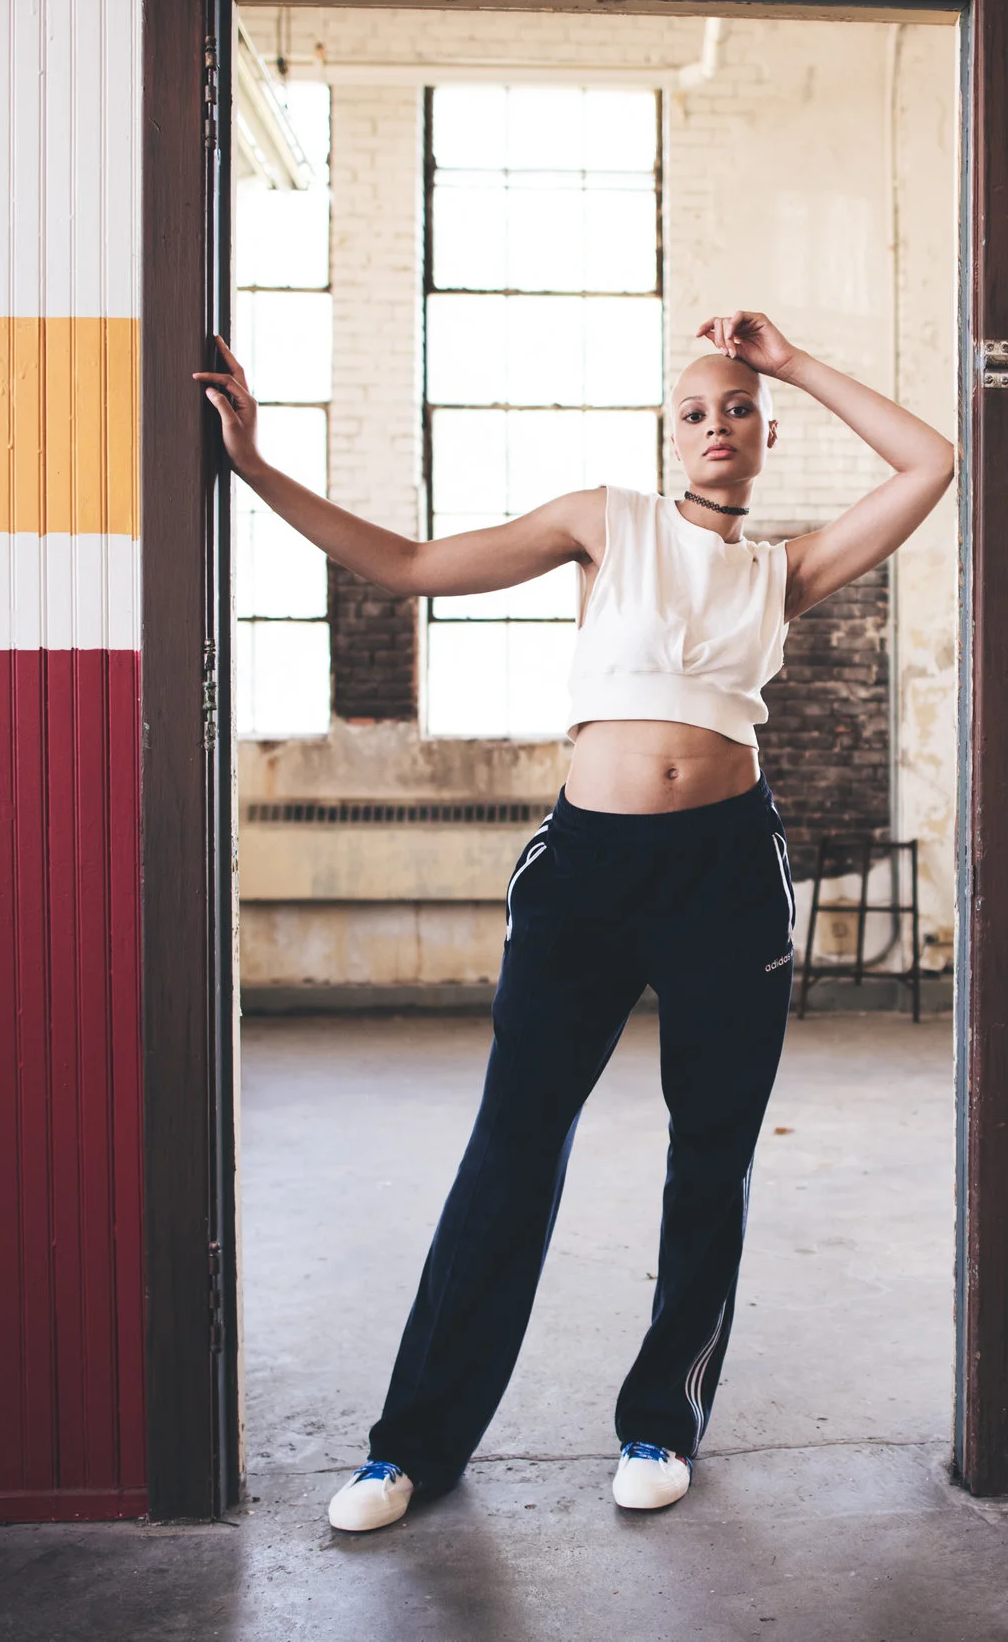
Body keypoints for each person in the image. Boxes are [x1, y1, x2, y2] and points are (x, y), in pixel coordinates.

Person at [193, 310, 954, 1531]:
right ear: (668, 437)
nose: (717, 425)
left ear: (767, 432)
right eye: (694, 412)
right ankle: (411, 1446)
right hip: (587, 871)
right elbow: (411, 564)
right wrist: (256, 464)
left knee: (710, 1155)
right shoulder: (608, 523)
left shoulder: (785, 571)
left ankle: (662, 1421)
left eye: (739, 409)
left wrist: (792, 361)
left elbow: (930, 461)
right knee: (512, 1145)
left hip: (726, 871)